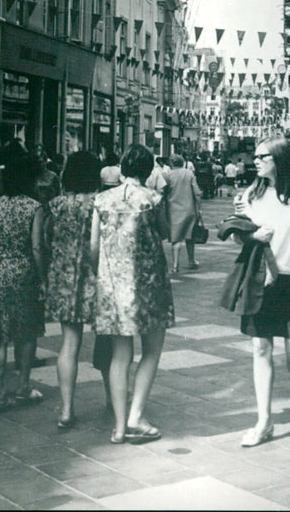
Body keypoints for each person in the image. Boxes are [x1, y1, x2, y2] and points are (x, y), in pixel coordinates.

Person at [91, 143, 175, 445]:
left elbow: (93, 247)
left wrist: (102, 273)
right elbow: (166, 232)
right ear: (148, 169)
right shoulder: (152, 199)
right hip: (149, 284)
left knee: (120, 355)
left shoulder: (102, 199)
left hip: (113, 287)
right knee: (151, 351)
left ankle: (118, 426)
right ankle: (136, 415)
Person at [236, 134, 290, 446]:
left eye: (262, 156)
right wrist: (252, 236)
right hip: (262, 280)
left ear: (279, 160)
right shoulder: (250, 196)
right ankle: (264, 421)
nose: (255, 161)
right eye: (255, 156)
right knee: (260, 348)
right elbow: (237, 238)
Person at [0, 148, 46, 412]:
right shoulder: (33, 207)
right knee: (26, 333)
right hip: (22, 271)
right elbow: (36, 247)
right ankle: (24, 387)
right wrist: (43, 277)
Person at [44, 149, 103, 430]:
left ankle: (66, 410)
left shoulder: (56, 205)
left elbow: (45, 239)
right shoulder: (101, 204)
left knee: (69, 345)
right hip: (99, 277)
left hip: (65, 279)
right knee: (110, 342)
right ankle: (114, 400)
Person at [166, 153, 202, 272]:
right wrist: (199, 208)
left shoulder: (168, 175)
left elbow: (163, 192)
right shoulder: (189, 173)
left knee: (176, 239)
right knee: (190, 236)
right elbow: (197, 192)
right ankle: (191, 260)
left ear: (171, 163)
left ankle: (175, 265)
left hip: (173, 210)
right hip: (189, 208)